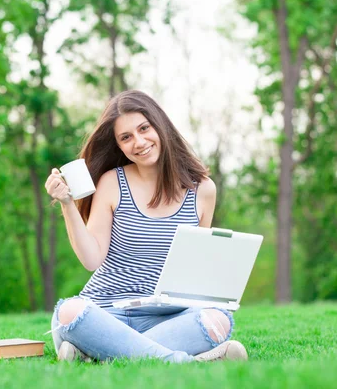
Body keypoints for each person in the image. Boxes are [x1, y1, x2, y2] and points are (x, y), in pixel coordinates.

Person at [44, 90, 247, 363]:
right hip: (105, 313)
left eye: (144, 128)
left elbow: (195, 271)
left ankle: (98, 354)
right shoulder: (111, 183)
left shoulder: (203, 191)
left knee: (217, 319)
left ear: (159, 126)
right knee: (70, 312)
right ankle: (185, 363)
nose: (139, 142)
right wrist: (67, 203)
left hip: (167, 317)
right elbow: (91, 259)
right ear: (118, 145)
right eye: (126, 137)